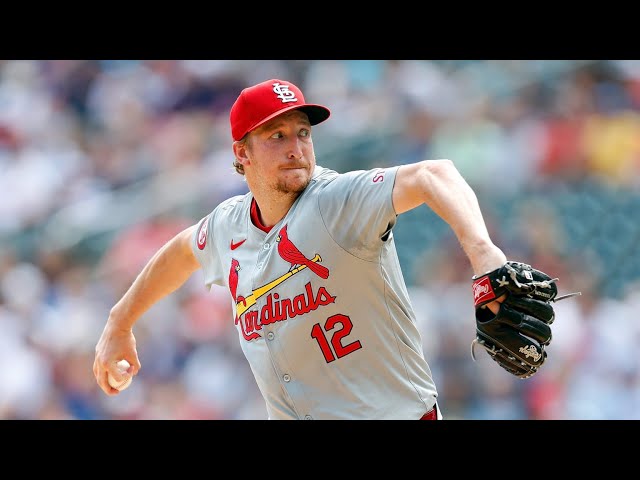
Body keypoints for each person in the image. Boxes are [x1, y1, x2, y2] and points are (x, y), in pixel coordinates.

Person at [93, 78, 507, 420]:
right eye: (277, 135)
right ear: (242, 152)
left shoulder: (336, 201)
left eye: (303, 133)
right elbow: (183, 251)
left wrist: (484, 255)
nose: (297, 147)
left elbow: (434, 175)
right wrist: (120, 321)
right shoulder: (228, 225)